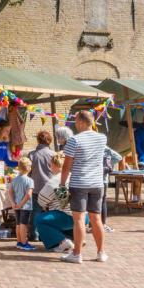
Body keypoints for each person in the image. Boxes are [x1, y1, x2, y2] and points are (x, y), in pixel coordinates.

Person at [59, 111, 109, 264]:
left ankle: (77, 253)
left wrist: (62, 184)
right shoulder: (102, 138)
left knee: (79, 219)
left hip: (79, 183)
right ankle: (101, 253)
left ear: (80, 122)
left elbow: (67, 166)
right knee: (96, 219)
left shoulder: (74, 140)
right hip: (97, 183)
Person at [8, 156, 36, 250]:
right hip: (25, 206)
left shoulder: (15, 179)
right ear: (29, 168)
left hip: (16, 205)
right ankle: (24, 243)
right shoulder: (30, 181)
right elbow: (28, 195)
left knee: (18, 224)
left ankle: (19, 241)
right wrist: (22, 204)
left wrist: (13, 202)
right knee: (24, 224)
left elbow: (10, 192)